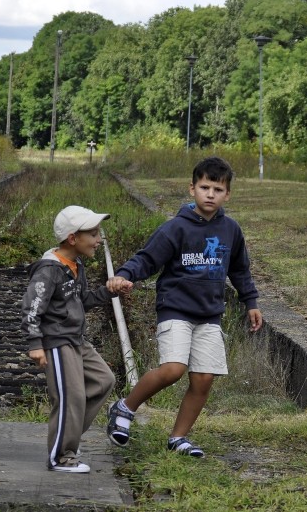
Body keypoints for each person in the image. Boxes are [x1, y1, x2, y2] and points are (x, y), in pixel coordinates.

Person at [105, 156, 263, 458]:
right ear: (192, 189)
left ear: (227, 194)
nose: (210, 194)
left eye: (217, 189)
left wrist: (250, 302)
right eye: (204, 187)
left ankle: (178, 437)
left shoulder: (231, 230)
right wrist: (125, 275)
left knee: (203, 378)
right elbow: (147, 258)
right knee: (173, 369)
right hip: (175, 309)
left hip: (210, 314)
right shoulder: (175, 228)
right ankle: (124, 408)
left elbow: (240, 270)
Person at [20, 205, 121, 473]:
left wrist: (110, 291)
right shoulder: (48, 270)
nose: (99, 240)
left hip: (76, 339)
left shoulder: (76, 265)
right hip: (56, 341)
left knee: (103, 380)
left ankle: (69, 438)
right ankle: (61, 456)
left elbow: (82, 300)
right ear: (73, 238)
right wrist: (35, 345)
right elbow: (32, 309)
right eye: (94, 234)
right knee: (70, 397)